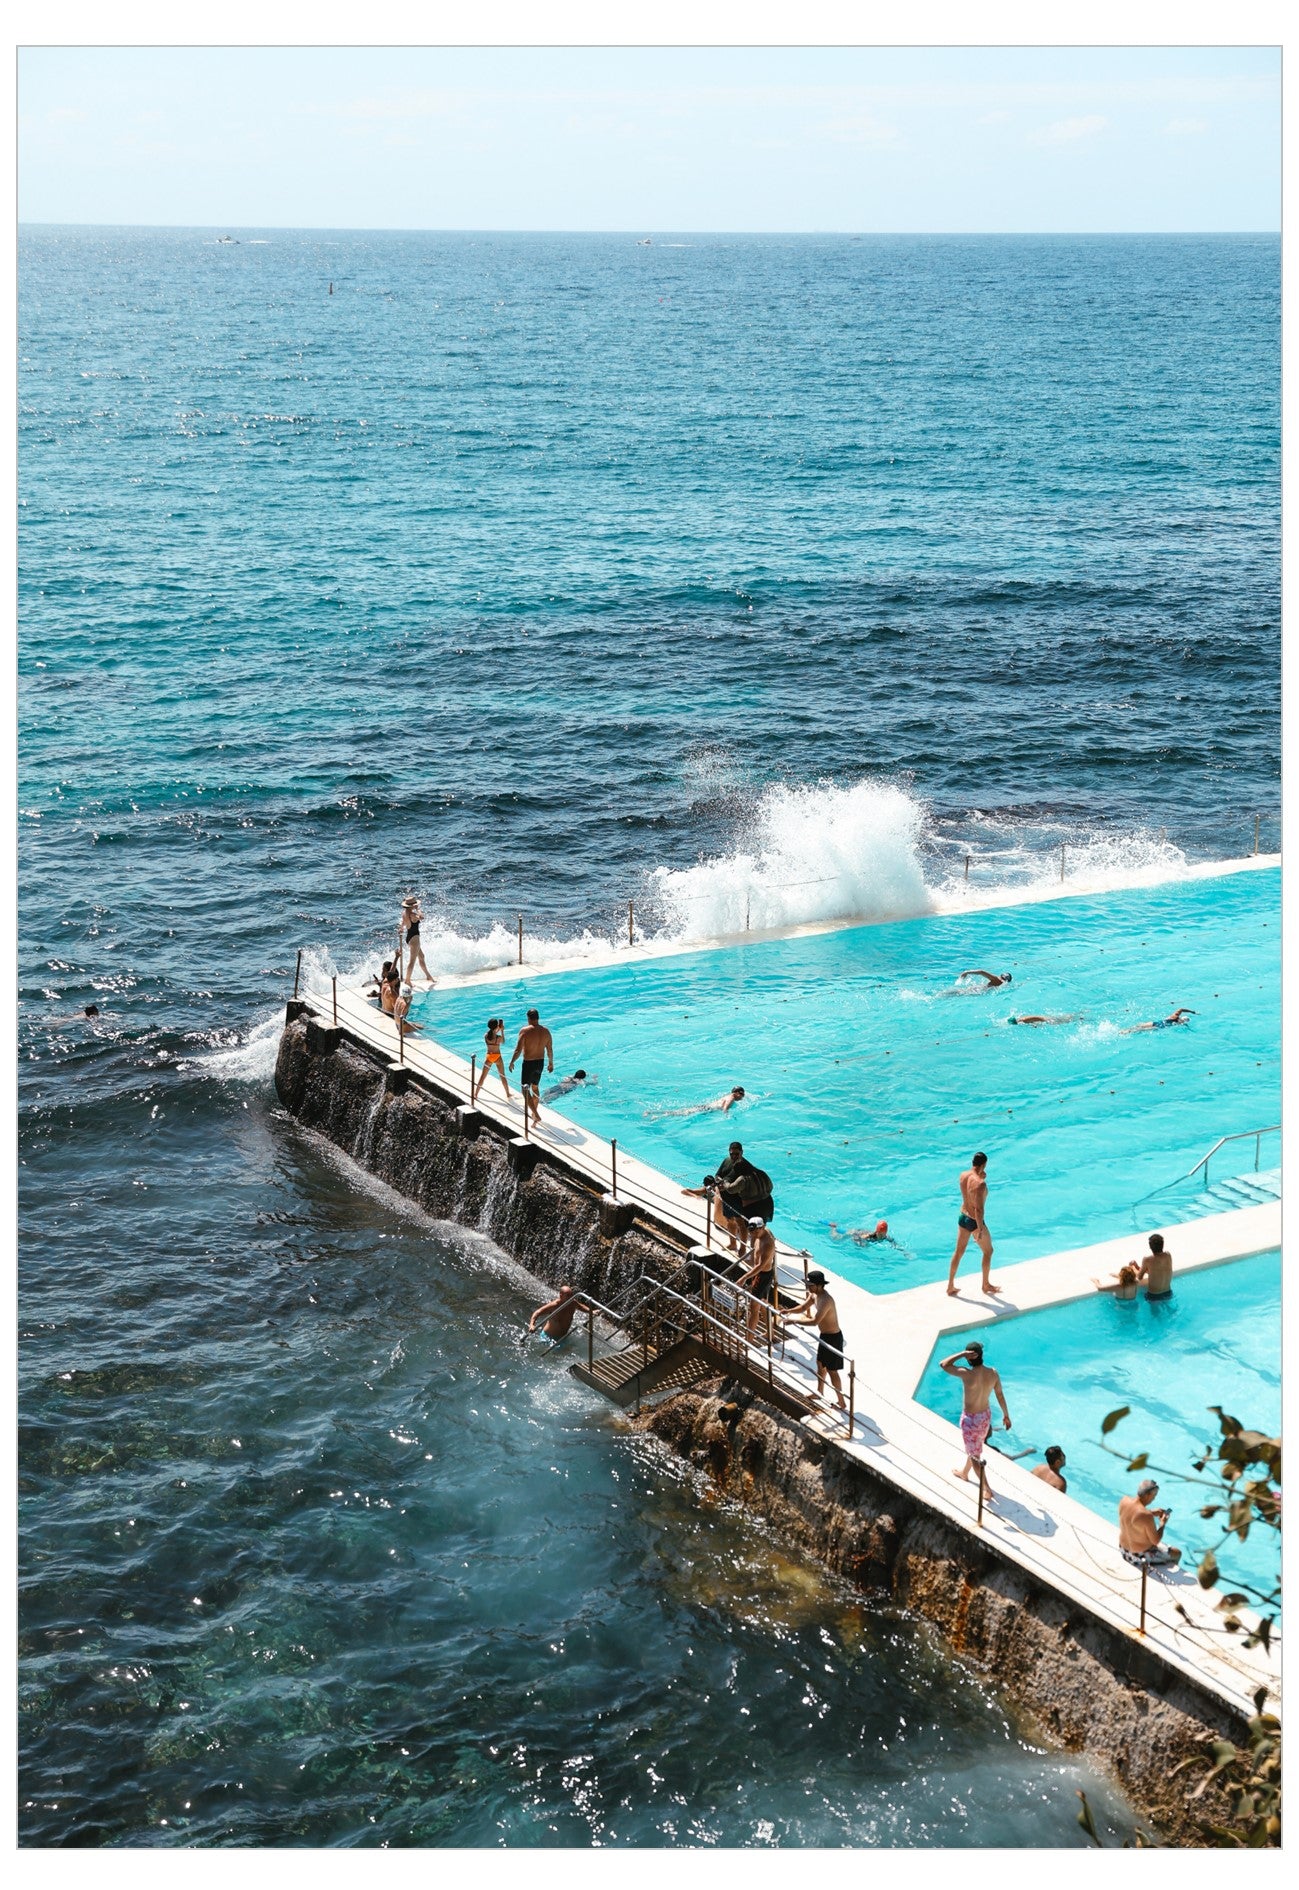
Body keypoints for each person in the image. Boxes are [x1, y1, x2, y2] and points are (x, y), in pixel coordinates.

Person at [939, 1340, 1012, 1498]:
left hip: (971, 1421)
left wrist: (962, 1353)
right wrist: (1006, 1415)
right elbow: (999, 1394)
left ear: (969, 1358)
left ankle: (986, 1489)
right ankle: (964, 1473)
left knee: (974, 1456)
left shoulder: (967, 1374)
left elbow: (943, 1364)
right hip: (985, 1417)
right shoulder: (993, 1373)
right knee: (975, 1449)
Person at [785, 1271, 847, 1410]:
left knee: (832, 1371)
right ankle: (819, 1391)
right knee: (820, 1364)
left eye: (811, 1285)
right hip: (824, 1336)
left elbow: (815, 1321)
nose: (808, 1287)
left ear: (819, 1285)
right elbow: (802, 1307)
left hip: (833, 1338)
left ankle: (842, 1402)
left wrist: (793, 1321)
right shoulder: (814, 1295)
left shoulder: (826, 1300)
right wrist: (788, 1311)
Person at [946, 1152, 999, 1297]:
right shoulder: (981, 1184)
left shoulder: (963, 1175)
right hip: (975, 1221)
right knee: (988, 1251)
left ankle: (950, 1286)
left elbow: (969, 1193)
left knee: (958, 1252)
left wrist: (980, 1175)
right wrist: (980, 1229)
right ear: (984, 1165)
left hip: (963, 1216)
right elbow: (979, 1209)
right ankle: (985, 1284)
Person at [1119, 1478, 1181, 1567]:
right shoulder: (1146, 1515)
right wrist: (1162, 1524)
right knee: (1177, 1553)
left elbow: (1133, 1516)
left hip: (1123, 1550)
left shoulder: (1124, 1500)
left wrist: (1151, 1512)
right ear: (1147, 1495)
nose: (1154, 1499)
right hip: (1138, 1557)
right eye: (1154, 1496)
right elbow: (1155, 1540)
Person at [509, 1008, 554, 1132]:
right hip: (540, 1063)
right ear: (538, 1018)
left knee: (524, 1090)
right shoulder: (546, 1031)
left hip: (529, 1064)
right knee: (535, 1088)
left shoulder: (525, 1030)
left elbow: (518, 1050)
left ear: (529, 1018)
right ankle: (534, 1115)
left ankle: (536, 1114)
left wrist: (512, 1061)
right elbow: (549, 1049)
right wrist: (550, 1064)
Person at [737, 1219, 777, 1338]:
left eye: (755, 1232)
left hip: (763, 1276)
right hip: (760, 1275)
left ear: (762, 1227)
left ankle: (748, 1339)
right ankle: (770, 1334)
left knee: (753, 1308)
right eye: (751, 1232)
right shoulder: (760, 1233)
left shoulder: (768, 1243)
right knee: (763, 1305)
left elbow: (761, 1266)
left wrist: (744, 1277)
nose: (752, 1235)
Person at [398, 896, 434, 984]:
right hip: (414, 939)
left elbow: (403, 922)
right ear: (412, 906)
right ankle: (407, 980)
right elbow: (422, 917)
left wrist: (401, 928)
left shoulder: (404, 913)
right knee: (412, 961)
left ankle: (428, 976)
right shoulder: (413, 915)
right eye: (415, 905)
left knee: (421, 957)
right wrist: (418, 909)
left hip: (409, 937)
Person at [474, 1018, 510, 1101]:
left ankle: (476, 1094)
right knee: (503, 1076)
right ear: (496, 1026)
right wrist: (502, 1030)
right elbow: (503, 1041)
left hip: (489, 1057)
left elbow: (491, 1034)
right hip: (498, 1057)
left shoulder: (486, 1036)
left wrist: (498, 1028)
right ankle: (508, 1093)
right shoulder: (499, 1038)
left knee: (483, 1077)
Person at [1135, 1232, 1174, 1300]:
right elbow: (1158, 1271)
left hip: (1154, 1296)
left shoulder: (1147, 1259)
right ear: (1162, 1245)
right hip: (1168, 1293)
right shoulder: (1168, 1255)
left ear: (1150, 1246)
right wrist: (1139, 1267)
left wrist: (1134, 1267)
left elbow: (1139, 1277)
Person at [1123, 1007, 1196, 1034]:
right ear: (1182, 1019)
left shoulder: (1179, 1022)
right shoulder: (1175, 1018)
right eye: (1183, 1021)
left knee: (1140, 1026)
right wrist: (1192, 1011)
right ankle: (1126, 1031)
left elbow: (1181, 1010)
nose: (1183, 1022)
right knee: (1140, 1029)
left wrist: (1191, 1012)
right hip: (1159, 1026)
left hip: (1157, 1022)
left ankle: (1125, 1030)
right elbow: (1181, 1009)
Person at [1007, 1014, 1077, 1027]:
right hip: (1048, 1020)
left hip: (1050, 1020)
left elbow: (1036, 1018)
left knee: (1068, 1020)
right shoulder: (1022, 1020)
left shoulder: (1023, 1019)